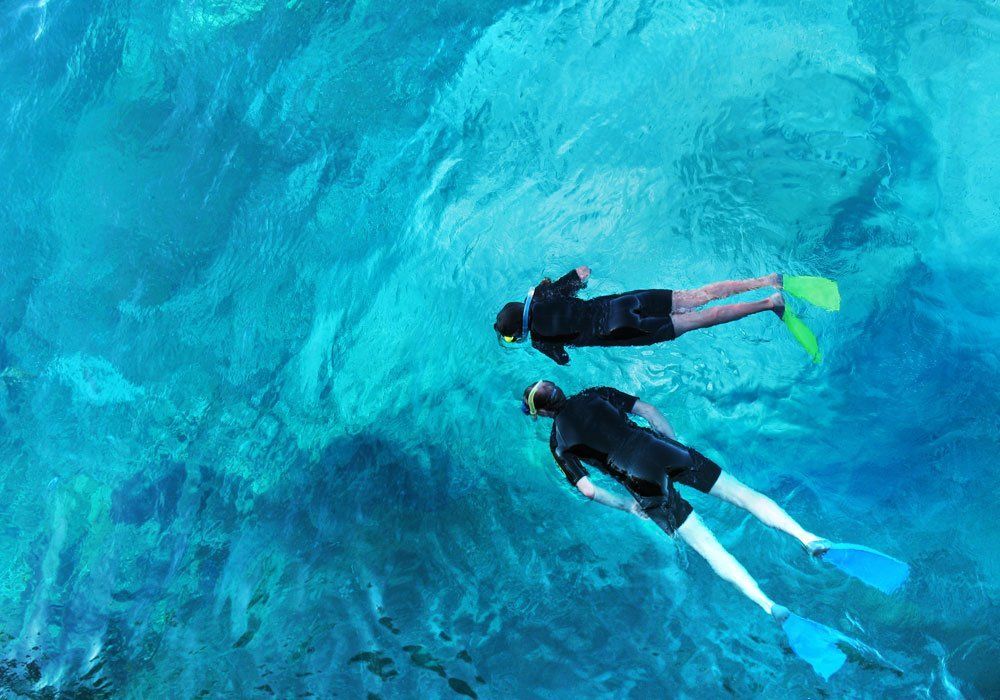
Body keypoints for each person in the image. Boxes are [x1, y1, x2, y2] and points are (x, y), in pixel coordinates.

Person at [519, 379, 831, 621]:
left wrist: (627, 505)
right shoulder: (595, 393)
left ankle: (769, 605)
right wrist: (673, 443)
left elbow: (587, 489)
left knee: (709, 547)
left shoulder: (558, 441)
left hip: (641, 481)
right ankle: (807, 537)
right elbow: (650, 412)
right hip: (663, 450)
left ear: (543, 413)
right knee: (743, 495)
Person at [494, 267, 784, 364]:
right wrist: (562, 285)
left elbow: (564, 359)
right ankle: (766, 280)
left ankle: (769, 303)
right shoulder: (547, 294)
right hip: (625, 302)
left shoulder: (540, 342)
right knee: (699, 296)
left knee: (703, 318)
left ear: (519, 332)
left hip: (623, 331)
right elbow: (583, 272)